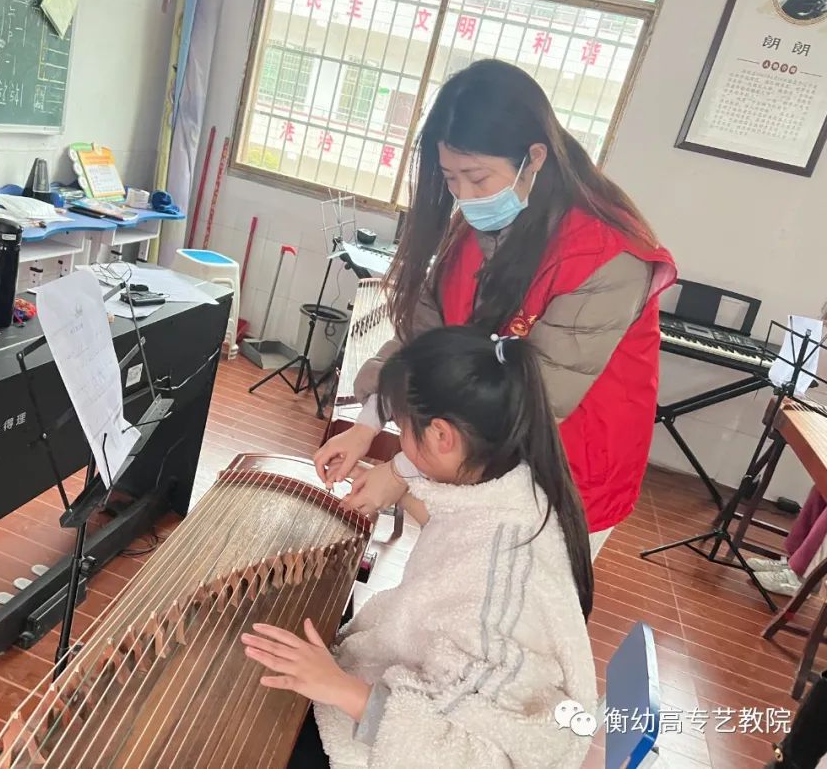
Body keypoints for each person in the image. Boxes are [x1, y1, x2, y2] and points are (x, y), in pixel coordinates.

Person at [314, 59, 676, 559]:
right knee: (450, 576)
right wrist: (367, 423)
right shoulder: (480, 222)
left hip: (565, 469)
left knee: (509, 596)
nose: (464, 197)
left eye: (477, 178)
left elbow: (535, 399)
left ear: (534, 158)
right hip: (475, 453)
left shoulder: (607, 255)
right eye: (451, 179)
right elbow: (424, 338)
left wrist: (401, 472)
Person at [242, 328, 597, 768]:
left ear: (442, 436)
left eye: (403, 428)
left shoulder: (503, 593)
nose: (400, 444)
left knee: (246, 719)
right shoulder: (513, 487)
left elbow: (483, 756)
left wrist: (340, 689)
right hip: (392, 681)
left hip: (390, 742)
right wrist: (398, 490)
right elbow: (461, 530)